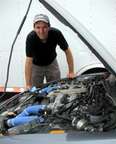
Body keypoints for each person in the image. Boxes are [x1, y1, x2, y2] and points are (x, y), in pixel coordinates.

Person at [25, 14, 75, 89]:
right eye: (38, 27)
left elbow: (67, 51)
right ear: (34, 28)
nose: (41, 31)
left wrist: (71, 71)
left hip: (52, 63)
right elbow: (28, 61)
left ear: (49, 27)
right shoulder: (31, 37)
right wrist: (28, 84)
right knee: (35, 90)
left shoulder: (56, 33)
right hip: (36, 66)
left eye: (44, 27)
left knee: (55, 88)